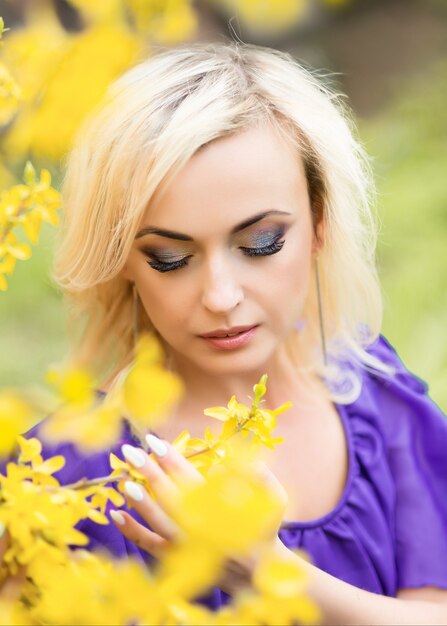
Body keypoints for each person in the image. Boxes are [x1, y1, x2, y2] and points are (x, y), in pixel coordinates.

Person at [3, 41, 447, 623]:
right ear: (122, 263)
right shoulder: (63, 480)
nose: (220, 296)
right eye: (169, 257)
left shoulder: (373, 386)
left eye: (260, 243)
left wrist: (266, 571)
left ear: (318, 222)